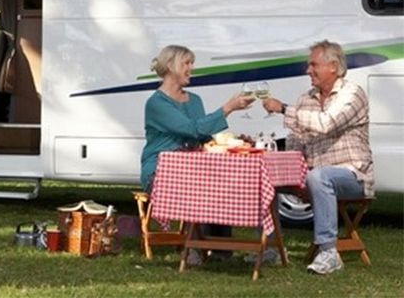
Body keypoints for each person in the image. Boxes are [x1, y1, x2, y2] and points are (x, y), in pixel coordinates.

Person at [263, 40, 374, 275]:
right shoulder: (306, 99)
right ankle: (270, 248)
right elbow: (296, 143)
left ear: (333, 66)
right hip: (314, 176)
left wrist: (283, 108)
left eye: (313, 65)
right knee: (263, 178)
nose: (308, 70)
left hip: (353, 175)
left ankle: (328, 253)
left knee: (319, 177)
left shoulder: (352, 94)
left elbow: (326, 124)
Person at [140, 44, 254, 264]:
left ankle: (220, 251)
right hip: (160, 170)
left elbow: (203, 136)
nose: (191, 68)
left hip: (195, 168)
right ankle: (195, 249)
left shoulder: (195, 100)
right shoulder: (156, 104)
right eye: (187, 63)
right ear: (171, 66)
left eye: (191, 63)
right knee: (197, 184)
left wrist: (234, 140)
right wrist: (227, 108)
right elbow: (191, 129)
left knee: (223, 182)